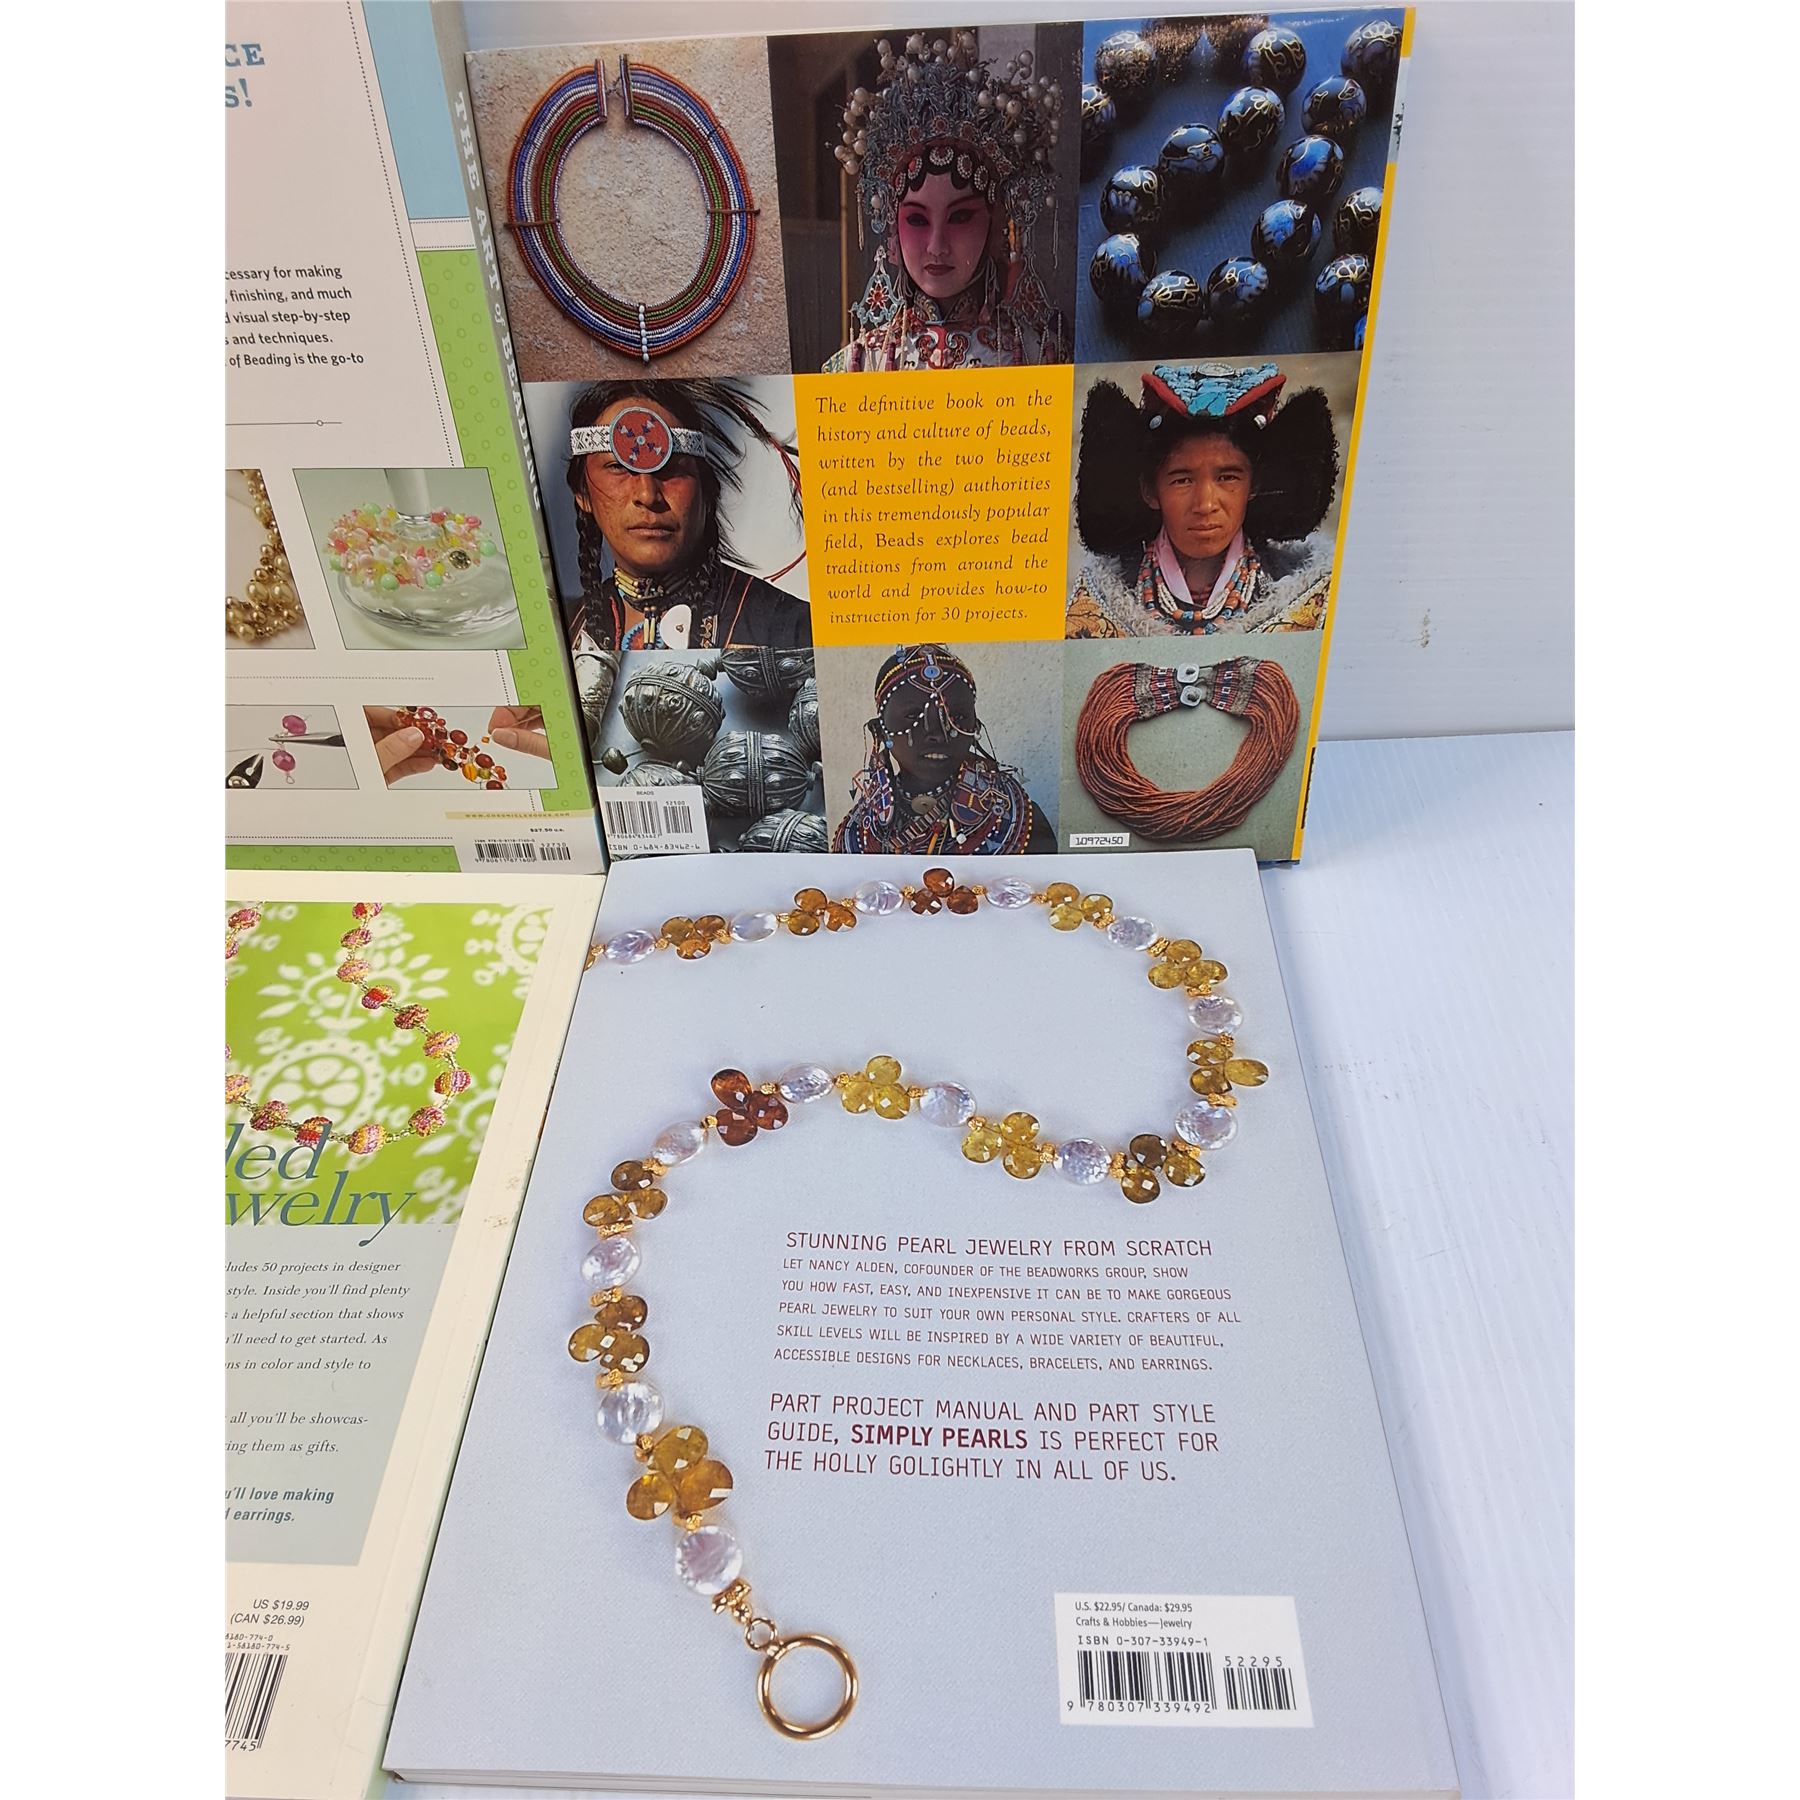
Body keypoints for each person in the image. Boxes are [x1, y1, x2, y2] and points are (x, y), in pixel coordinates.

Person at [826, 32, 1069, 372]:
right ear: (894, 228)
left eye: (960, 217)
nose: (936, 246)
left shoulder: (1039, 355)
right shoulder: (858, 365)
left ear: (994, 224)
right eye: (917, 219)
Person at [1065, 362, 1340, 637]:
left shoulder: (1304, 592)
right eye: (1182, 480)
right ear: (1150, 490)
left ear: (1254, 484)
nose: (1206, 505)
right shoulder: (1100, 597)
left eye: (1228, 478)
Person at [563, 380, 809, 650]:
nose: (647, 495)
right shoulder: (559, 632)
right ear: (582, 492)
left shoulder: (793, 630)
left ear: (705, 489)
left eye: (671, 469)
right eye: (618, 467)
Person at [832, 643, 1054, 853]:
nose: (938, 734)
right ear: (881, 730)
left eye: (957, 717)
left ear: (975, 727)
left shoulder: (1016, 819)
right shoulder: (859, 832)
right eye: (913, 716)